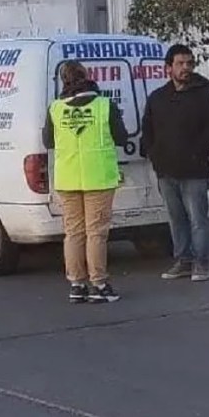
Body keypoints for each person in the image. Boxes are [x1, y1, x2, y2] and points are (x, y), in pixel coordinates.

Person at [42, 60, 128, 304]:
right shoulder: (104, 106)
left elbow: (48, 141)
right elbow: (121, 136)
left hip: (68, 178)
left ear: (63, 81)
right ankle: (99, 284)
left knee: (73, 233)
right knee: (96, 233)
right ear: (87, 76)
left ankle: (77, 284)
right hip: (98, 177)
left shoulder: (55, 109)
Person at [141, 44, 209, 282]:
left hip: (194, 170)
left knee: (198, 219)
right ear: (168, 68)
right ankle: (183, 260)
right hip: (166, 171)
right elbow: (148, 129)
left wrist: (197, 151)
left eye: (189, 63)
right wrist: (155, 154)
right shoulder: (158, 98)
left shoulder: (205, 95)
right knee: (176, 218)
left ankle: (201, 262)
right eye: (180, 63)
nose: (186, 68)